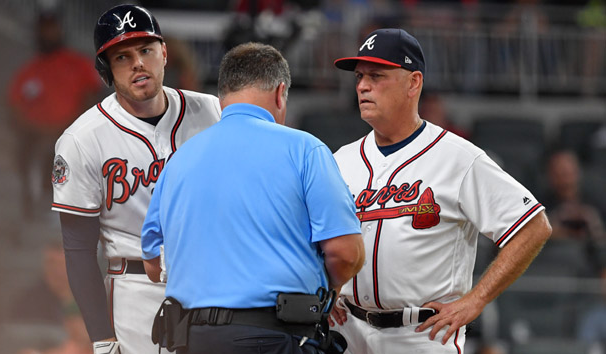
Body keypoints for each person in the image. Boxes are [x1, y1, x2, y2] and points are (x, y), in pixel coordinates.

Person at [328, 28, 552, 353]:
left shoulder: (458, 158)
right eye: (360, 76)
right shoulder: (341, 160)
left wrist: (475, 301)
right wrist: (326, 286)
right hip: (348, 330)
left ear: (413, 82)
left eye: (376, 75)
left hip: (421, 334)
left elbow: (533, 227)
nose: (362, 85)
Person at [141, 42, 365, 354]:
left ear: (222, 99)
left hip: (193, 339)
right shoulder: (304, 149)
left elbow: (154, 263)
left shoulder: (179, 160)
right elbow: (347, 254)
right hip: (273, 335)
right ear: (280, 93)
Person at [51, 4, 221, 354]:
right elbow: (79, 249)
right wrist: (101, 336)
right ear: (107, 72)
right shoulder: (83, 139)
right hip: (134, 291)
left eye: (145, 50)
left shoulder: (213, 112)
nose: (138, 63)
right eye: (122, 57)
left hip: (215, 283)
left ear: (164, 53)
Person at [8, 11, 102, 220]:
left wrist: (69, 127)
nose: (48, 33)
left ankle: (60, 212)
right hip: (36, 134)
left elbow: (92, 96)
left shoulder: (76, 64)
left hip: (71, 131)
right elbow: (15, 105)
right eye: (44, 29)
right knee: (30, 154)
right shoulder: (30, 70)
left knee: (60, 152)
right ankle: (33, 213)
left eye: (52, 28)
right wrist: (35, 129)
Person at [542, 149, 605, 241]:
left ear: (578, 172)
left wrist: (594, 224)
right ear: (550, 176)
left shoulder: (597, 200)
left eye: (568, 173)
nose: (566, 180)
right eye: (560, 174)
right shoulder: (542, 205)